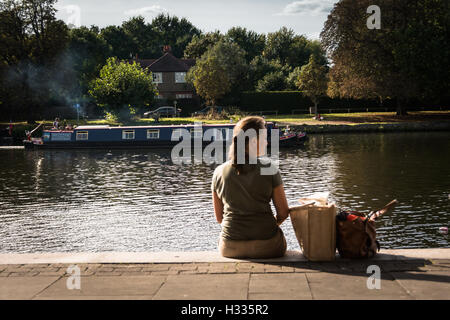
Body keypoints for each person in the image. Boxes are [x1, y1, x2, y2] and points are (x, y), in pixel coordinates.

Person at [211, 116, 290, 259]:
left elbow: (219, 218)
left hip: (230, 248)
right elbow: (283, 213)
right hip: (269, 246)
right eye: (265, 137)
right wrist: (268, 225)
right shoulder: (270, 169)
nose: (267, 142)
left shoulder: (218, 172)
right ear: (254, 141)